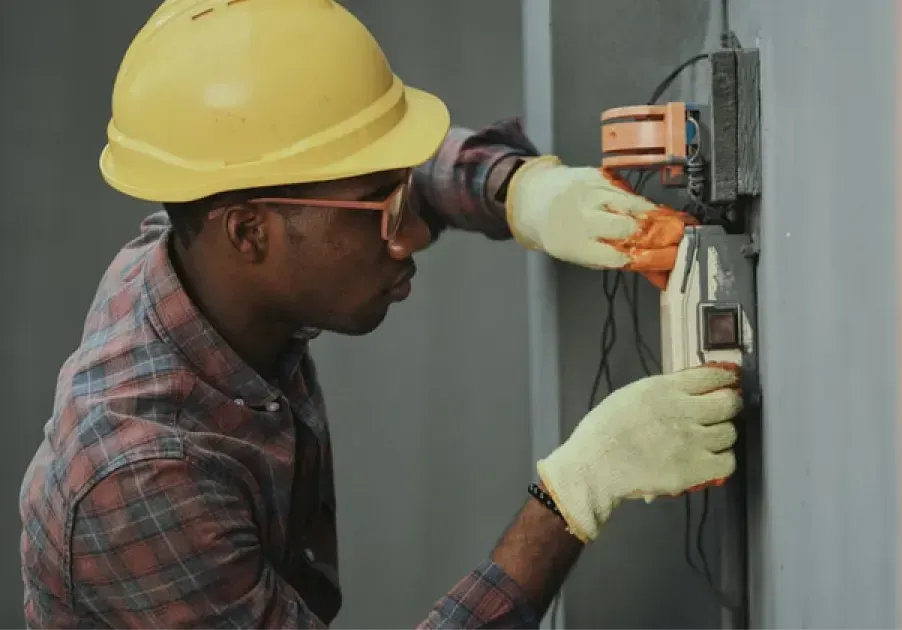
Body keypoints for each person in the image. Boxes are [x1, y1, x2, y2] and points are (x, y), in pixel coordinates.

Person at [18, 1, 744, 628]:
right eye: (383, 208)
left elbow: (353, 174)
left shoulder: (202, 244)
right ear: (249, 233)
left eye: (403, 193)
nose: (410, 235)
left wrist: (520, 191)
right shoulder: (139, 479)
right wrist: (570, 497)